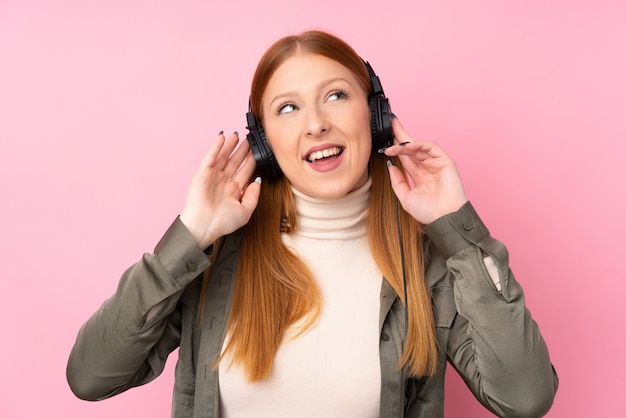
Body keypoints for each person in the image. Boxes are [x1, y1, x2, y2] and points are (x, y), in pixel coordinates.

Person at [67, 30, 558, 418]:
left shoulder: (425, 262)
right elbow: (91, 377)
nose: (316, 123)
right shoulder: (217, 257)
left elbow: (524, 398)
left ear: (377, 116)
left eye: (337, 95)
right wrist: (192, 233)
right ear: (264, 143)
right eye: (288, 107)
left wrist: (456, 225)